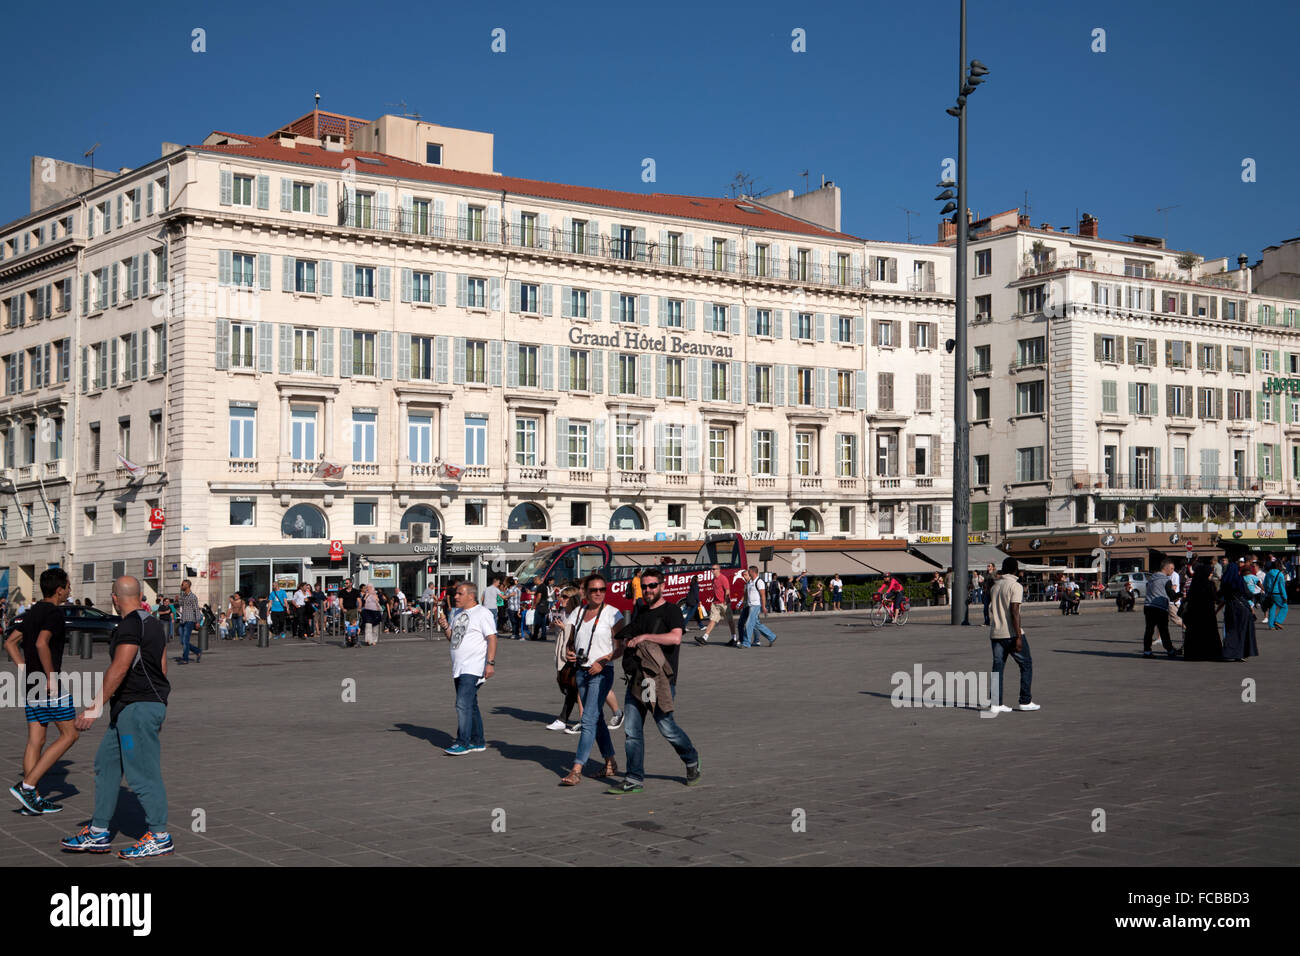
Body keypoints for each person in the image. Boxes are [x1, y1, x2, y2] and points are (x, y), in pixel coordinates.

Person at [60, 576, 174, 858]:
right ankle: (98, 833)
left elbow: (120, 667)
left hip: (137, 707)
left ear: (114, 598)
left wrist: (94, 707)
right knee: (106, 765)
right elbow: (162, 666)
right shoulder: (153, 623)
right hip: (133, 708)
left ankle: (159, 836)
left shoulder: (130, 625)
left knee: (142, 774)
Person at [605, 569, 701, 794]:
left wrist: (647, 637)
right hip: (637, 679)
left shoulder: (672, 611)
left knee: (666, 727)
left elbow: (676, 637)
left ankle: (691, 758)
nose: (648, 590)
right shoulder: (641, 612)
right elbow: (628, 640)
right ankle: (634, 778)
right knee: (632, 730)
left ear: (662, 586)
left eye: (652, 586)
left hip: (659, 681)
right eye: (645, 586)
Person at [5, 568, 76, 815]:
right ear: (59, 590)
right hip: (48, 684)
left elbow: (10, 642)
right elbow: (40, 643)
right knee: (70, 734)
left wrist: (26, 668)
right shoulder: (54, 613)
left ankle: (31, 799)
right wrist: (50, 677)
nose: (69, 590)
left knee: (36, 739)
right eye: (68, 586)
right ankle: (27, 786)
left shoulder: (33, 611)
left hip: (31, 683)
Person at [559, 574, 625, 786]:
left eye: (602, 589)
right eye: (594, 590)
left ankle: (577, 768)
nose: (598, 593)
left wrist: (603, 662)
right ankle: (610, 762)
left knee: (587, 719)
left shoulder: (612, 614)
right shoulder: (578, 613)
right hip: (581, 670)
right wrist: (570, 653)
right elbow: (572, 641)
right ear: (585, 592)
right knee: (595, 719)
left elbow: (620, 648)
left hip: (602, 672)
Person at [435, 582, 497, 755]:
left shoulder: (482, 613)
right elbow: (453, 638)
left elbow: (492, 638)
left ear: (471, 595)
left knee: (462, 704)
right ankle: (478, 741)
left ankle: (463, 742)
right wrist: (446, 626)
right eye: (456, 593)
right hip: (459, 667)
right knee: (471, 704)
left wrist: (490, 663)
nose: (455, 597)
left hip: (473, 666)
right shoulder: (458, 613)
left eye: (459, 594)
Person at [986, 557, 1039, 713]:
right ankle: (1025, 700)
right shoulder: (1015, 586)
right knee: (1026, 664)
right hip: (1010, 633)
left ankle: (996, 703)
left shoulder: (995, 587)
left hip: (996, 633)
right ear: (1015, 569)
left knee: (997, 668)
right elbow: (1015, 611)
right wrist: (1018, 636)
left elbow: (991, 608)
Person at [1181, 561, 1223, 661]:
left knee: (1194, 635)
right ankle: (1210, 654)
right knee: (1209, 634)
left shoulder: (1194, 584)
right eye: (1210, 573)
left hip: (1194, 614)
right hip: (1207, 613)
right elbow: (1216, 599)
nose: (1211, 574)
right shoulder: (1209, 584)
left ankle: (1194, 654)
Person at [1220, 561, 1259, 662]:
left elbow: (1220, 594)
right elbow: (1247, 594)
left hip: (1229, 607)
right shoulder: (1238, 579)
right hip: (1240, 608)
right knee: (1241, 631)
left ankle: (1229, 651)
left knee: (1231, 630)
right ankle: (1239, 653)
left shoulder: (1225, 580)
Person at [1142, 559, 1181, 659]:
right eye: (1171, 568)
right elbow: (1172, 596)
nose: (1172, 571)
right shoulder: (1166, 580)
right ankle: (1170, 650)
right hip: (1160, 608)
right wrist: (1181, 594)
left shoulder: (1151, 578)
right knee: (1164, 630)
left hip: (1148, 606)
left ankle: (1147, 651)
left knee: (1149, 630)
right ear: (1166, 567)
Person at [696, 564, 736, 646]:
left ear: (718, 570)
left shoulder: (723, 578)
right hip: (716, 603)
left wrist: (726, 600)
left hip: (724, 603)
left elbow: (727, 590)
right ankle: (704, 638)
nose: (712, 570)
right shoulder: (713, 579)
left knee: (730, 621)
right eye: (712, 569)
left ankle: (734, 638)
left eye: (714, 569)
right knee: (712, 620)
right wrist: (713, 600)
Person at [740, 566, 778, 648]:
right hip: (750, 605)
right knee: (756, 624)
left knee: (749, 624)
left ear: (753, 572)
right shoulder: (749, 582)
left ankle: (746, 643)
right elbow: (747, 594)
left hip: (756, 606)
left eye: (749, 571)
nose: (748, 573)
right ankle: (772, 637)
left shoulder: (759, 582)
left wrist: (764, 607)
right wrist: (743, 603)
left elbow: (763, 595)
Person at [175, 579, 202, 665]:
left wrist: (198, 621)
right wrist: (177, 599)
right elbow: (180, 605)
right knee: (182, 641)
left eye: (183, 585)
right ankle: (197, 651)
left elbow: (196, 609)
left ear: (188, 585)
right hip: (183, 620)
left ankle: (185, 659)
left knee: (185, 640)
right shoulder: (183, 596)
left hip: (190, 620)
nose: (181, 586)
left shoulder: (193, 597)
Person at [1264, 558, 1289, 630]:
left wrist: (1266, 592)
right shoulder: (1280, 574)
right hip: (1277, 593)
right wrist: (1285, 597)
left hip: (1270, 593)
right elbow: (1282, 587)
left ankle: (1271, 625)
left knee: (1272, 609)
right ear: (1279, 566)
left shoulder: (1268, 573)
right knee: (1284, 607)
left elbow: (1265, 584)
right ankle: (1278, 621)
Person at [339, 579, 361, 647]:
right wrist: (342, 608)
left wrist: (359, 607)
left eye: (347, 583)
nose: (345, 584)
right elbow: (340, 602)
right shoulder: (342, 592)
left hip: (353, 610)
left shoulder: (355, 591)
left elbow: (359, 601)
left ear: (351, 583)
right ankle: (347, 640)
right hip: (345, 610)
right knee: (346, 626)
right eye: (345, 583)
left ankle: (354, 640)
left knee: (353, 626)